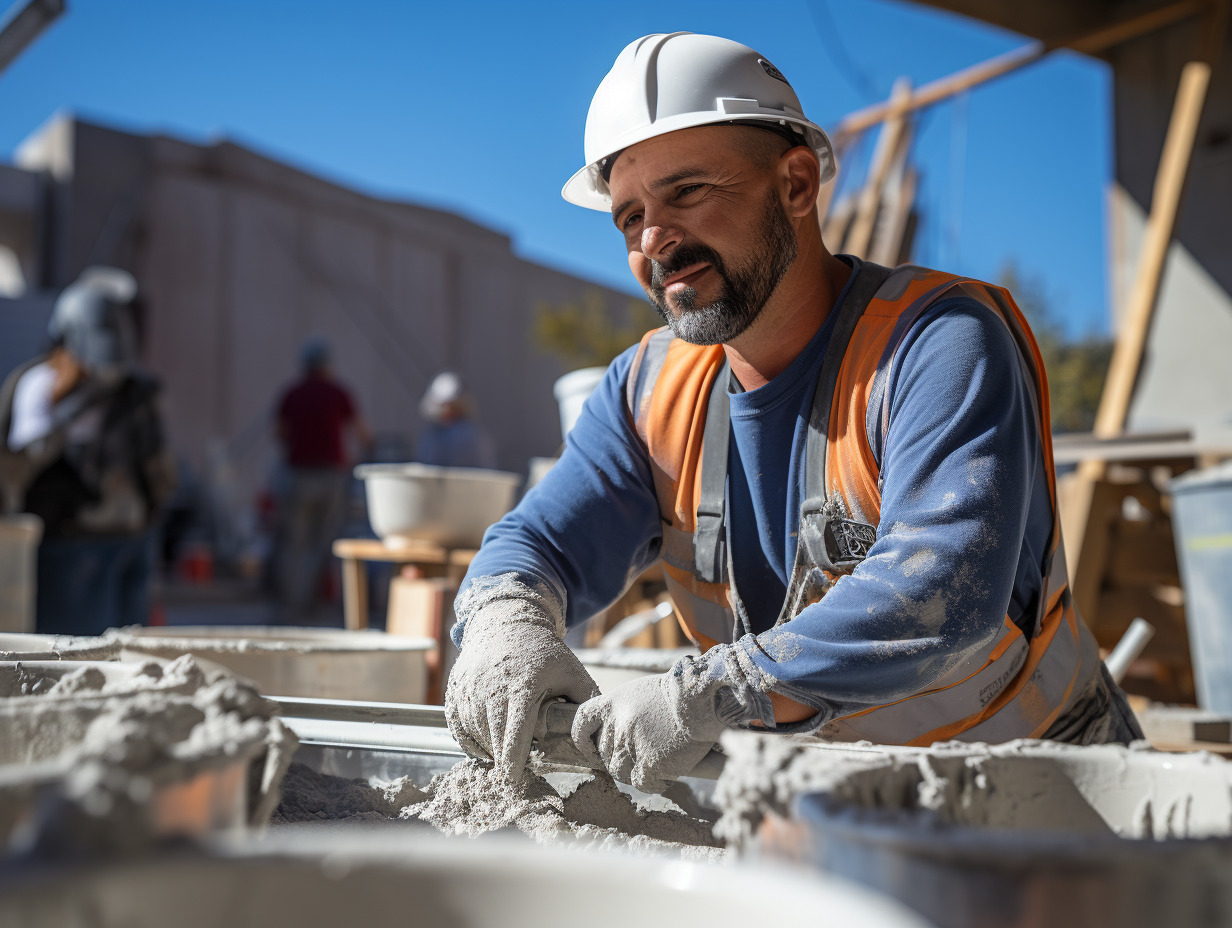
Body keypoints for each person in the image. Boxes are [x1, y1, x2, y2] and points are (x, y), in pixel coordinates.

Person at [445, 32, 1142, 792]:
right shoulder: (647, 390)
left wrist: (718, 692)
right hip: (828, 819)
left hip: (1047, 809)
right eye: (628, 216)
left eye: (686, 192)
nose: (654, 239)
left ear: (798, 184)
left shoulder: (934, 345)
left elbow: (942, 586)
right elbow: (538, 539)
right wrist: (500, 621)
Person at [0, 267, 173, 636]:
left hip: (130, 539)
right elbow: (17, 469)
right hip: (69, 547)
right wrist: (67, 414)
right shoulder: (39, 386)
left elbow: (155, 463)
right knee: (77, 656)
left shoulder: (133, 392)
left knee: (131, 660)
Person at [273, 338, 372, 620]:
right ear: (327, 365)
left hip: (299, 476)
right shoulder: (338, 392)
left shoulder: (293, 393)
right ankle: (311, 607)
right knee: (322, 543)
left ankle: (290, 608)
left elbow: (279, 433)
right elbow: (363, 433)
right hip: (330, 477)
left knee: (294, 544)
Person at [415, 371, 496, 469]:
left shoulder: (469, 434)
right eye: (442, 406)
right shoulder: (431, 436)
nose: (447, 411)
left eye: (451, 406)